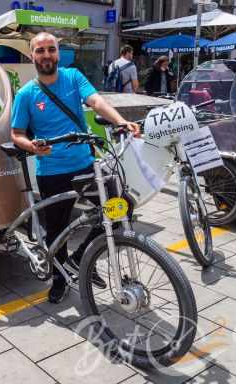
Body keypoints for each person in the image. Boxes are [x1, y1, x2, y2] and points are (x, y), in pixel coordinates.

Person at [11, 32, 140, 304]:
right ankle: (59, 280)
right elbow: (16, 133)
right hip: (52, 173)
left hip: (85, 165)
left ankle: (81, 260)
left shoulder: (73, 77)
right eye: (40, 50)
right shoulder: (26, 94)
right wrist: (32, 146)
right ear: (32, 55)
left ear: (58, 53)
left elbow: (96, 102)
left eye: (51, 49)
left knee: (121, 205)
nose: (46, 55)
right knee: (57, 232)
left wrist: (120, 121)